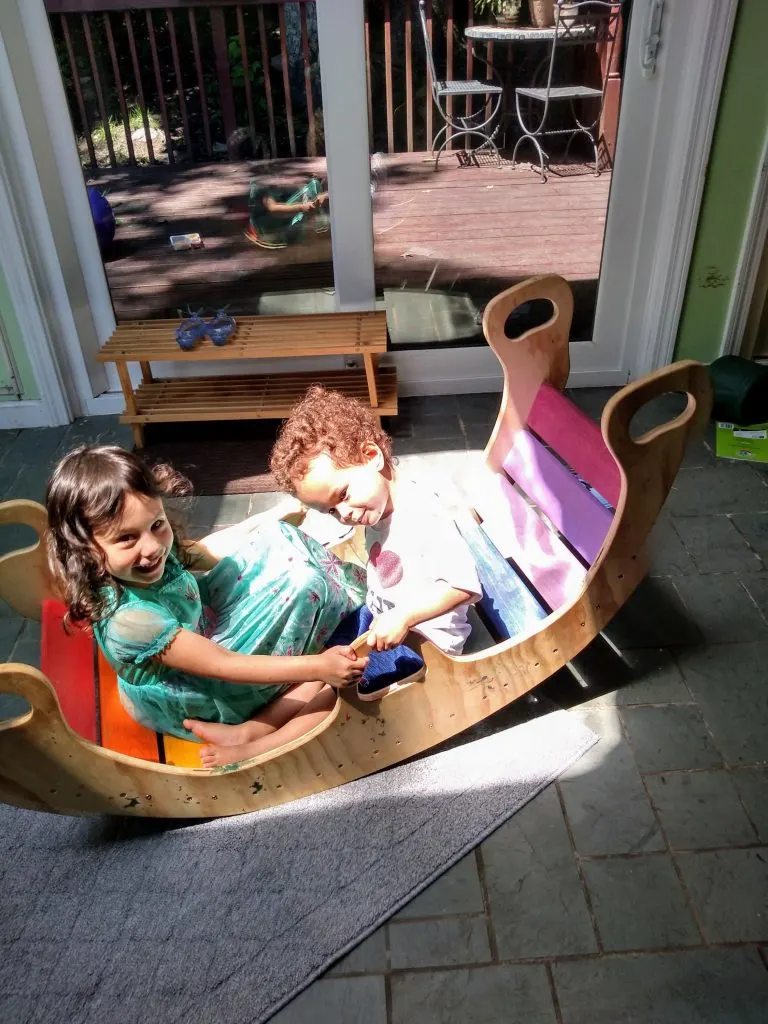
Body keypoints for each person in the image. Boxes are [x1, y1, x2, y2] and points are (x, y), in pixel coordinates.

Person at [44, 446, 369, 768]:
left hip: (203, 631)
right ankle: (267, 716)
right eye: (127, 538)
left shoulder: (142, 556)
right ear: (85, 549)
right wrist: (317, 667)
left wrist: (266, 520)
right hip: (196, 690)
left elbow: (203, 552)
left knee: (278, 537)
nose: (152, 546)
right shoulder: (130, 621)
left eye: (157, 524)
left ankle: (336, 609)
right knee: (307, 589)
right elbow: (225, 665)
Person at [270, 387, 482, 699]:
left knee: (344, 688)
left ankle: (277, 738)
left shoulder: (424, 515)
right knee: (326, 660)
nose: (343, 514)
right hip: (381, 625)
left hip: (423, 641)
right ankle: (264, 724)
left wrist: (404, 616)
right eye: (330, 510)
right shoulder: (377, 511)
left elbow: (463, 586)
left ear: (371, 456)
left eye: (342, 495)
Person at [245, 176, 329, 249]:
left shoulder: (271, 177)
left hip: (280, 221)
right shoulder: (261, 182)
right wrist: (302, 207)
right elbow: (273, 209)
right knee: (312, 187)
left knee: (314, 184)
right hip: (270, 228)